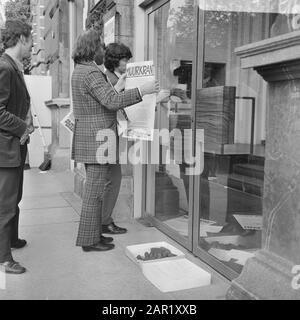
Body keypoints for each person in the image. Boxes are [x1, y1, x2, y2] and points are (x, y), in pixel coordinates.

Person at [71, 29, 159, 252]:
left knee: (96, 191)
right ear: (92, 48)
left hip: (93, 137)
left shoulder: (81, 71)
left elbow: (102, 99)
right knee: (94, 194)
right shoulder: (91, 73)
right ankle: (90, 242)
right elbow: (111, 102)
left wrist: (119, 86)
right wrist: (143, 90)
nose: (103, 50)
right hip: (98, 138)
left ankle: (94, 236)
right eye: (100, 46)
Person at [0, 20, 34, 274]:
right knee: (5, 204)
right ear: (22, 38)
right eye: (31, 40)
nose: (32, 45)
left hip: (14, 147)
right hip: (6, 149)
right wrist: (23, 127)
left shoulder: (12, 66)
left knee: (15, 199)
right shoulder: (4, 66)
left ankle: (12, 239)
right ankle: (3, 258)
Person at [93, 42, 133, 235]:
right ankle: (103, 221)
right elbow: (111, 103)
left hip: (113, 132)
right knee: (112, 178)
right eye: (125, 59)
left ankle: (103, 220)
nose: (128, 63)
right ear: (115, 61)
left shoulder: (116, 77)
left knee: (110, 178)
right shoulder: (107, 79)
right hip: (106, 134)